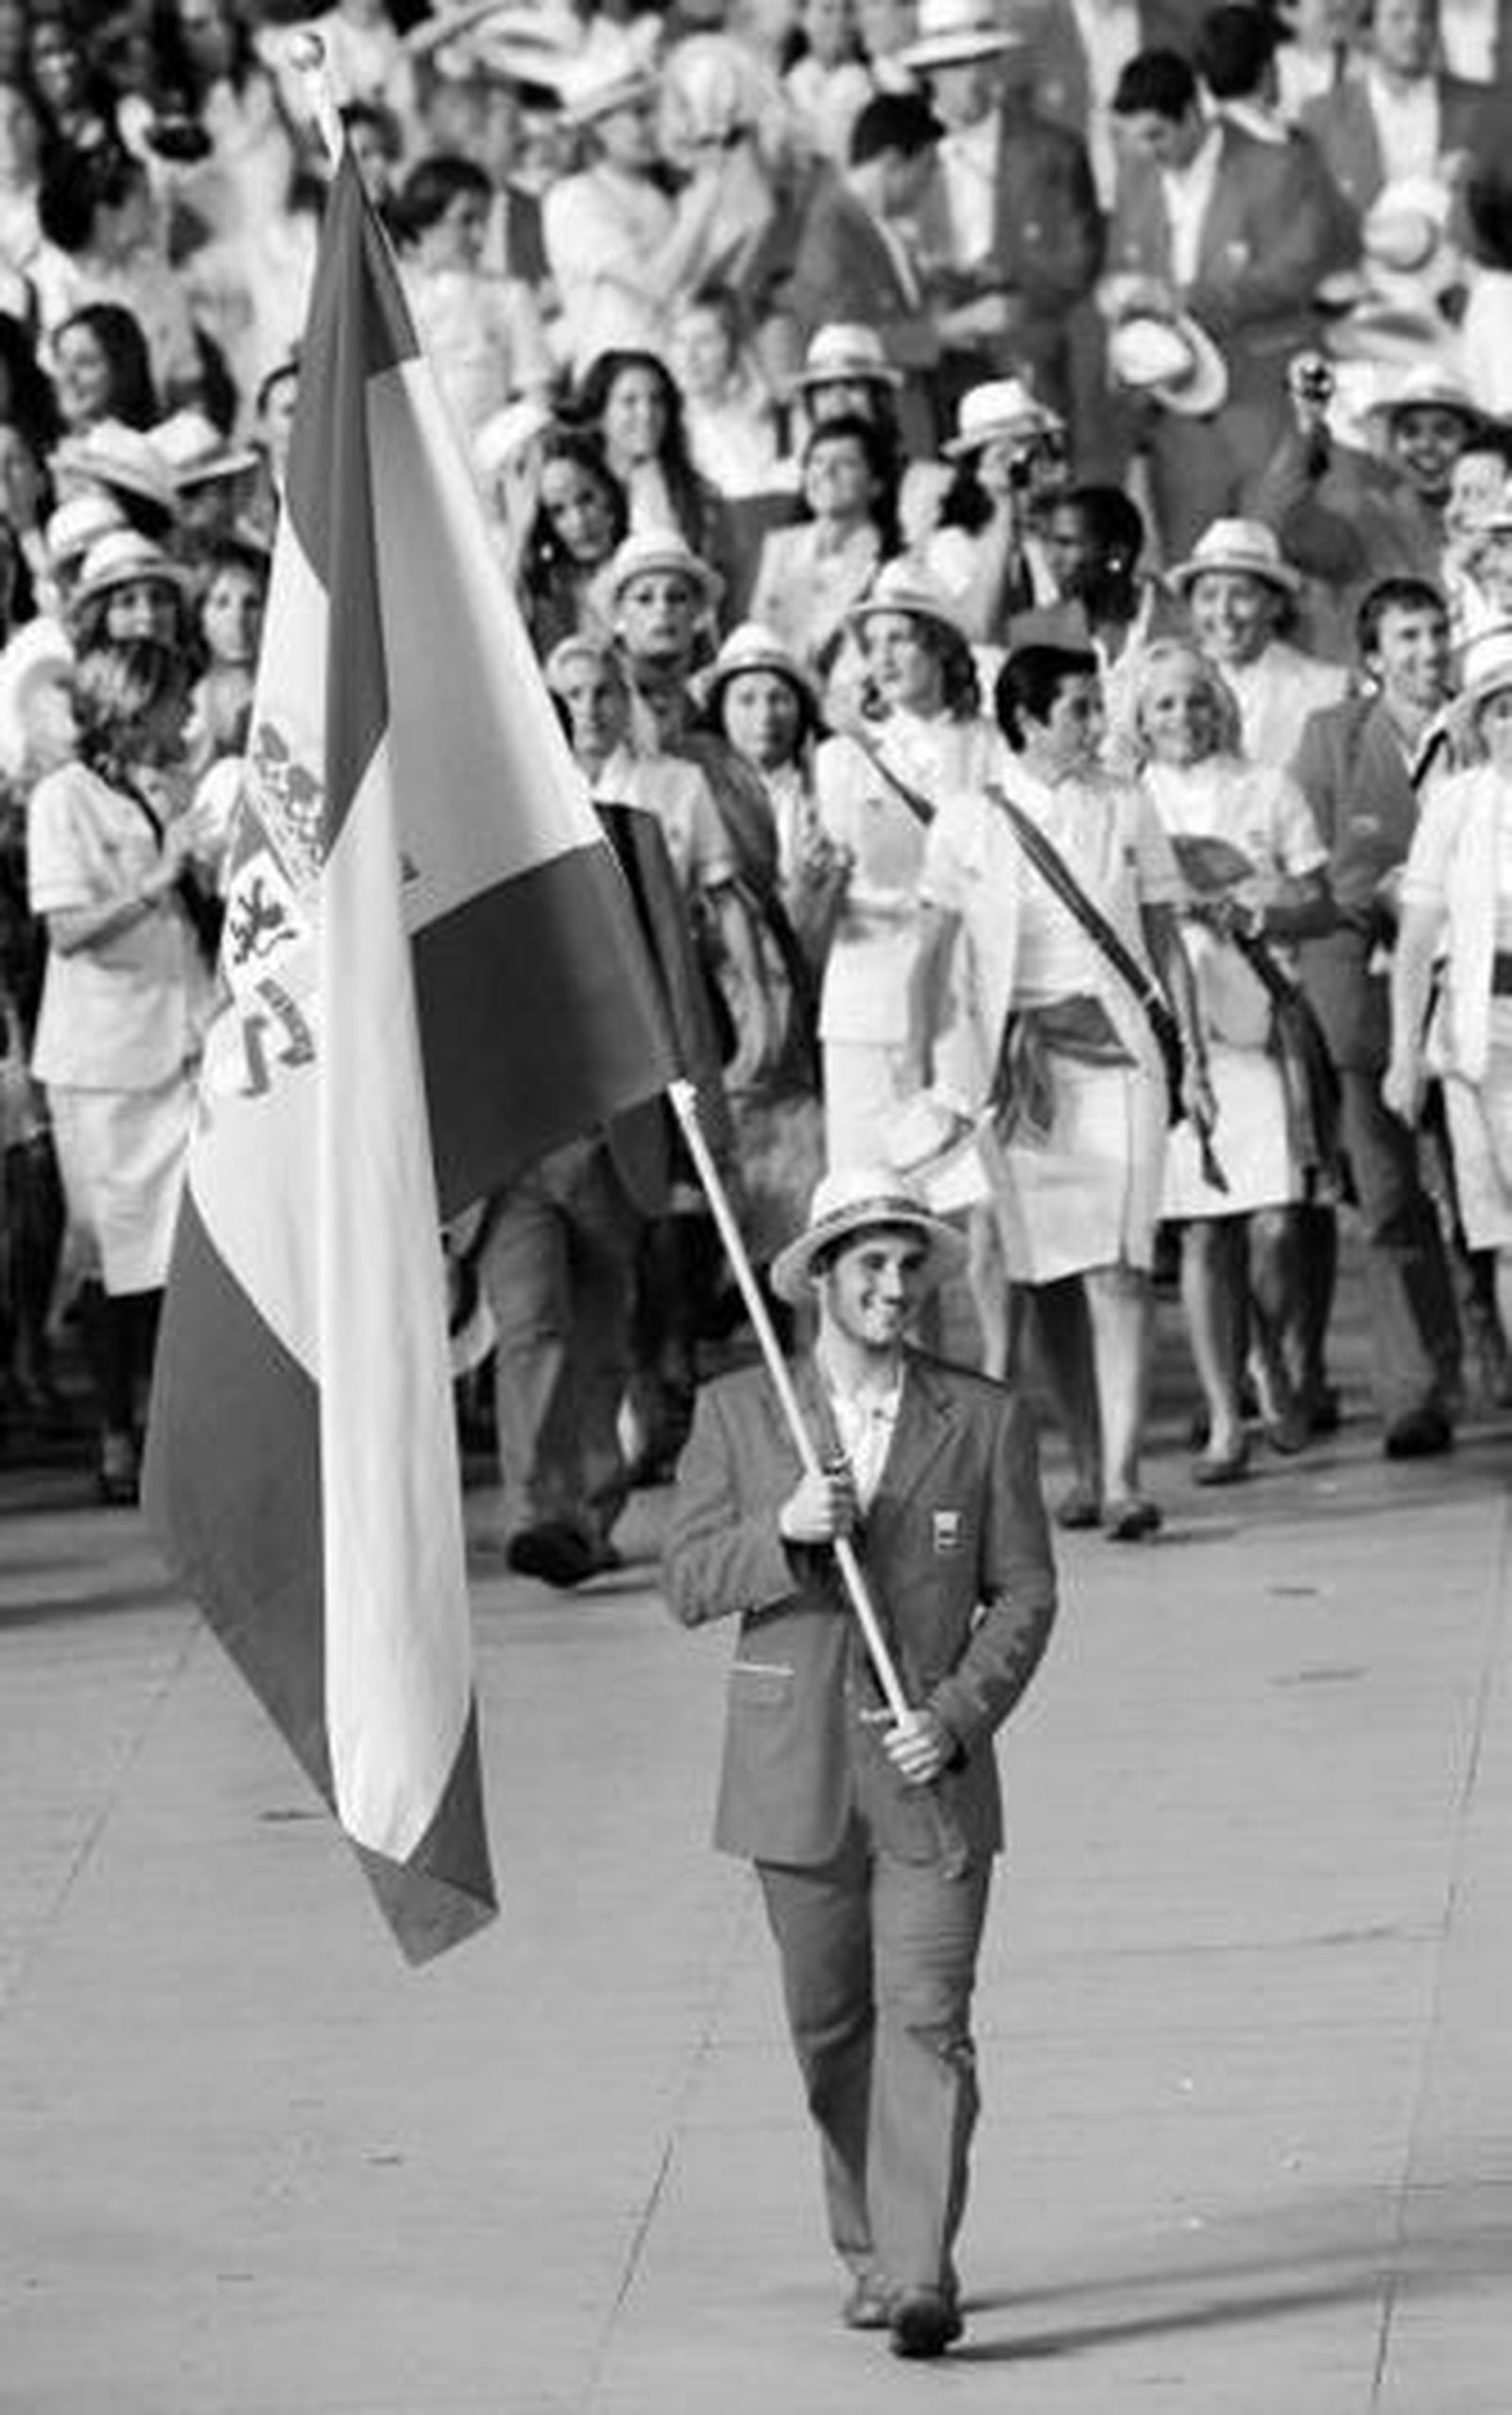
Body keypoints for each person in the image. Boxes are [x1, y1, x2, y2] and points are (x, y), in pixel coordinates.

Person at [662, 1160, 1057, 2360]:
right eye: (869, 1267)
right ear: (819, 1280)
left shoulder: (982, 1417)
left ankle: (920, 2265)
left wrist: (957, 1712)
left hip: (929, 1776)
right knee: (832, 2028)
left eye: (909, 1267)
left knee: (928, 2018)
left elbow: (1027, 1591)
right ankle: (871, 2250)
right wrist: (776, 1534)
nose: (894, 1288)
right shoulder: (739, 1414)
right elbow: (684, 1578)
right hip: (793, 1772)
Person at [907, 642, 1211, 1538]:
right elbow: (931, 949)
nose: (1094, 723)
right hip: (1015, 1068)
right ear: (1028, 719)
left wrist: (1187, 1046)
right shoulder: (968, 818)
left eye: (1094, 704)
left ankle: (1123, 1476)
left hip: (1119, 1053)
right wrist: (924, 1067)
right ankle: (1082, 1461)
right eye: (1076, 708)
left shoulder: (1125, 802)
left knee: (1121, 1265)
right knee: (1045, 1278)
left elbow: (1163, 934)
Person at [1134, 639, 1332, 1475]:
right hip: (1173, 1039)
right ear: (1138, 721)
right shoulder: (1128, 800)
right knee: (1204, 1234)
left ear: (1223, 705)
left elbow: (1321, 901)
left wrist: (1257, 911)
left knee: (1276, 1224)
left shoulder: (1268, 788)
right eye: (1164, 704)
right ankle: (1225, 1415)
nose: (1184, 716)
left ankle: (1273, 1354)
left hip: (1256, 1030)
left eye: (1196, 699)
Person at [26, 635, 213, 1504]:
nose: (190, 715)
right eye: (177, 699)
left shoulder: (169, 789)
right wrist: (156, 880)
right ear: (134, 705)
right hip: (103, 1063)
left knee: (182, 1250)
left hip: (182, 1043)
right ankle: (114, 1429)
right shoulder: (63, 799)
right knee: (114, 1251)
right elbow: (64, 928)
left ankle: (176, 1421)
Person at [1291, 574, 1463, 1450]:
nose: (1428, 652)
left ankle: (1493, 1362)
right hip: (1363, 991)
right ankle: (1414, 1390)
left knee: (1483, 1190)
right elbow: (1311, 864)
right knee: (1390, 1199)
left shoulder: (1485, 728)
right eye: (1408, 638)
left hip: (1473, 984)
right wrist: (1392, 890)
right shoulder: (1332, 736)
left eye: (1437, 633)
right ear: (1371, 657)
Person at [1103, 47, 1355, 556]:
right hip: (1179, 418)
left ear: (1194, 114)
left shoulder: (1278, 167)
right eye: (1134, 139)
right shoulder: (1137, 180)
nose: (1148, 151)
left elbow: (1297, 272)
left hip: (1263, 403)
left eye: (1157, 135)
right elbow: (1120, 268)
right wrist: (1117, 297)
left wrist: (1187, 298)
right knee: (1192, 566)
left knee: (1284, 558)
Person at [1385, 621, 1512, 1368]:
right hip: (1479, 1035)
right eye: (1502, 707)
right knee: (1504, 1234)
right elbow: (1415, 938)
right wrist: (1404, 1053)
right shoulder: (1458, 803)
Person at [1173, 515, 1351, 767]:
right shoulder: (1163, 686)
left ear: (1275, 605)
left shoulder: (1327, 691)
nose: (1223, 612)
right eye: (1209, 596)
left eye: (1241, 595)